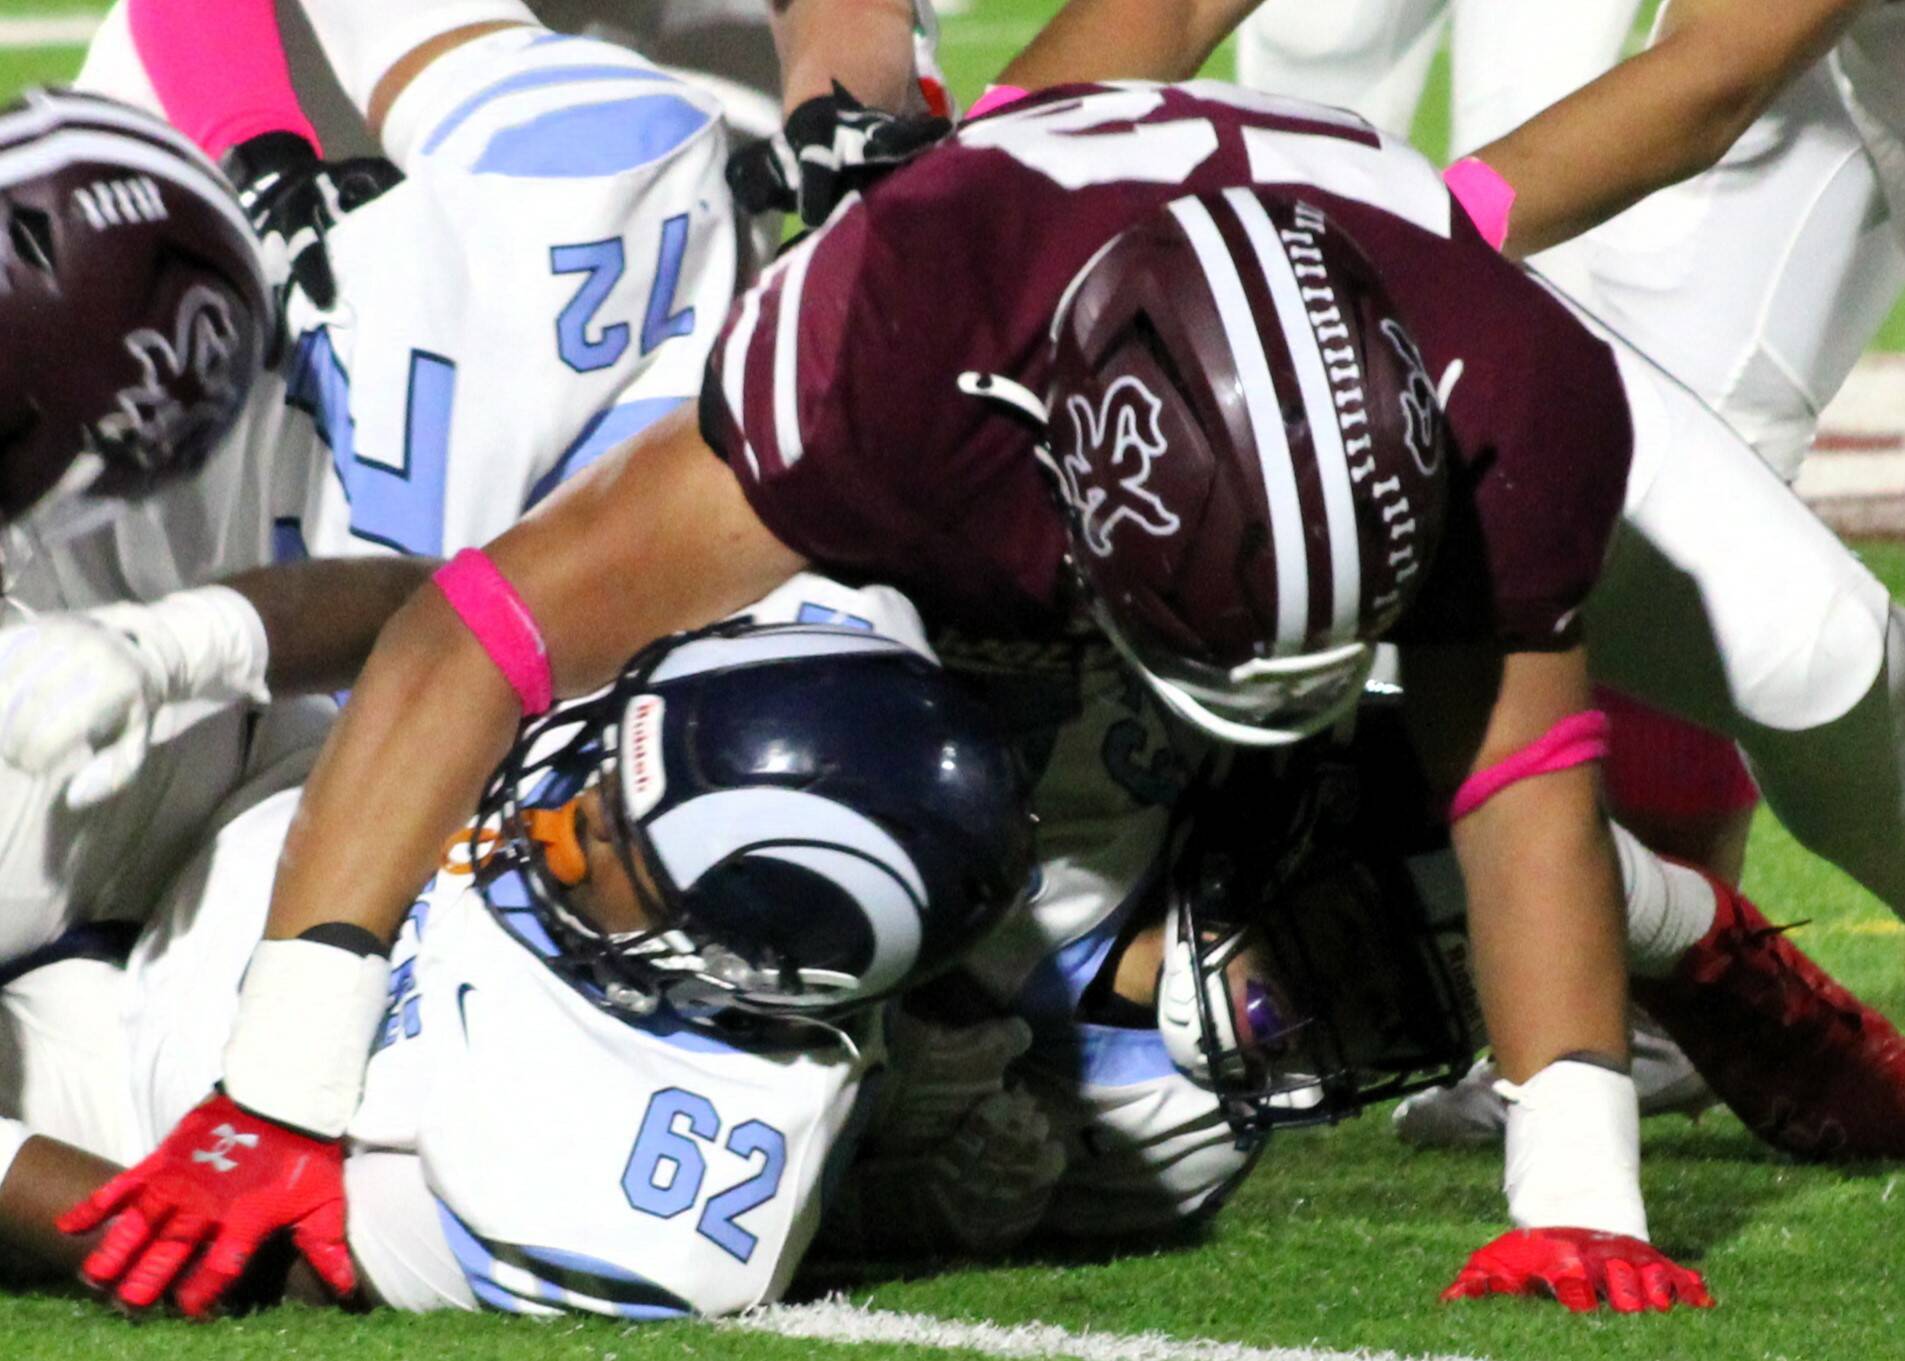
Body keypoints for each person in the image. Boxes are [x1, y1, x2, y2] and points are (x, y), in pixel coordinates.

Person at [35, 4, 1905, 1318]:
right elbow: (478, 623)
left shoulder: (1503, 386)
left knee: (1781, 665)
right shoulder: (890, 372)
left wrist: (1574, 1176)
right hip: (945, 421)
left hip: (1374, 287)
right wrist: (273, 1089)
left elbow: (1513, 762)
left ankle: (1669, 923)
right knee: (938, 848)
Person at [5, 609, 1034, 1317]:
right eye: (605, 768)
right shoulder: (815, 635)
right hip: (258, 778)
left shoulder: (634, 1194)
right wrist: (181, 642)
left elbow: (260, 1254)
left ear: (736, 964)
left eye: (618, 839)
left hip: (143, 1084)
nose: (555, 809)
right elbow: (434, 615)